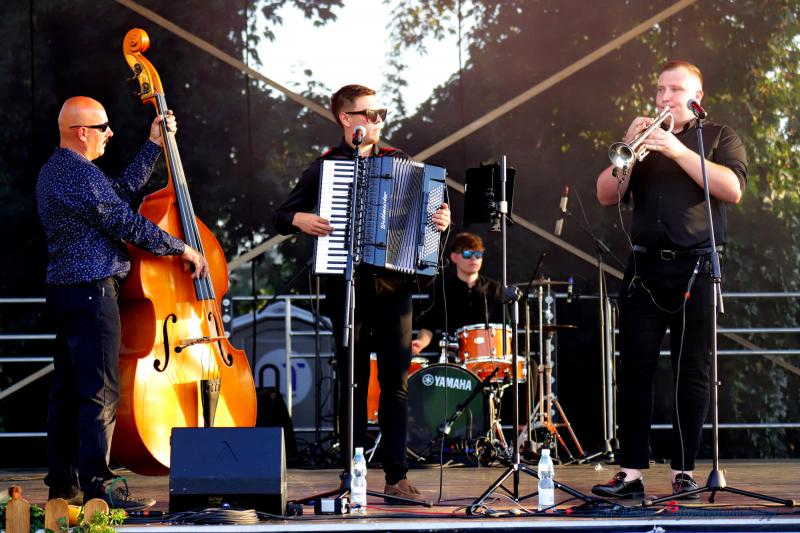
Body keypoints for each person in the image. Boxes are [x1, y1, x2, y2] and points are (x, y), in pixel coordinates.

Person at [273, 84, 450, 500]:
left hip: (394, 290)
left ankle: (396, 475)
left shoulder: (400, 161)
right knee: (351, 383)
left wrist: (442, 222)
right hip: (346, 288)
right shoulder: (326, 166)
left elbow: (432, 217)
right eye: (369, 114)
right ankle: (351, 473)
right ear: (345, 119)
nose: (377, 121)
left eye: (380, 114)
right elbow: (280, 214)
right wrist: (300, 219)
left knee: (395, 384)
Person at [37, 96, 209, 509]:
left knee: (68, 392)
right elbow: (125, 221)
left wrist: (153, 145)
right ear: (82, 132)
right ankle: (99, 485)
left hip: (68, 292)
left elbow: (116, 196)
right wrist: (182, 248)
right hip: (92, 291)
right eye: (103, 127)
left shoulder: (60, 171)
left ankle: (64, 485)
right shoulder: (77, 172)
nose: (110, 133)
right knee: (100, 391)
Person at [592, 61, 746, 500]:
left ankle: (683, 470)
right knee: (634, 369)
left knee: (691, 371)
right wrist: (630, 145)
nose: (664, 98)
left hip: (696, 268)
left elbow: (733, 189)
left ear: (696, 97)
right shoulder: (644, 140)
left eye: (674, 90)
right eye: (660, 89)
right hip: (645, 270)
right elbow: (605, 193)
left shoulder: (718, 136)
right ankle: (630, 472)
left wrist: (676, 150)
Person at [411, 232, 503, 356]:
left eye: (478, 254)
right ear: (454, 257)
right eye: (467, 254)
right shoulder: (443, 290)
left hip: (490, 356)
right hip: (453, 358)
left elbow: (506, 328)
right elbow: (428, 326)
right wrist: (421, 343)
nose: (474, 259)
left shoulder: (495, 289)